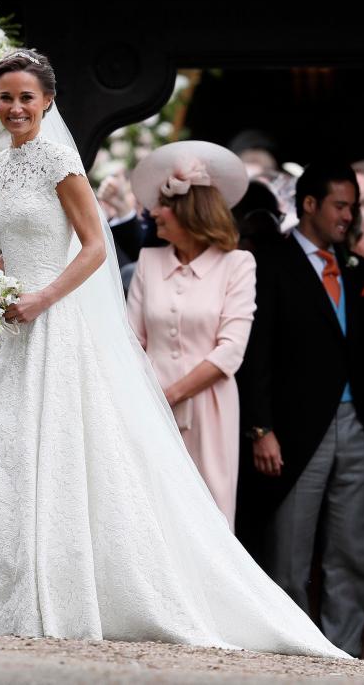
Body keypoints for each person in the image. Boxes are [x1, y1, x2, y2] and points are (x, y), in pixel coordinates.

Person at [0, 49, 347, 658]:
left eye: (26, 97)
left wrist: (41, 298)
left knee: (65, 449)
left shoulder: (58, 159)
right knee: (7, 451)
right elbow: (8, 252)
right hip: (16, 327)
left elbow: (95, 247)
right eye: (6, 97)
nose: (15, 108)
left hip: (56, 320)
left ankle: (73, 590)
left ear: (47, 101)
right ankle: (0, 594)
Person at [236, 162, 364, 656]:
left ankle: (341, 655)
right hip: (294, 429)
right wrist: (261, 427)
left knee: (351, 551)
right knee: (288, 552)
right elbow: (255, 352)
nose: (349, 217)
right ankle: (290, 651)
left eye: (354, 207)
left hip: (357, 427)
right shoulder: (267, 260)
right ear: (309, 205)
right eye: (340, 206)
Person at [125, 141, 256, 526]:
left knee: (209, 515)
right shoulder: (149, 261)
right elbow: (132, 340)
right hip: (149, 406)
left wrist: (172, 395)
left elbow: (230, 351)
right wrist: (149, 400)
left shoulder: (237, 265)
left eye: (162, 205)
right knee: (153, 513)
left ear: (189, 211)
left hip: (209, 408)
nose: (152, 213)